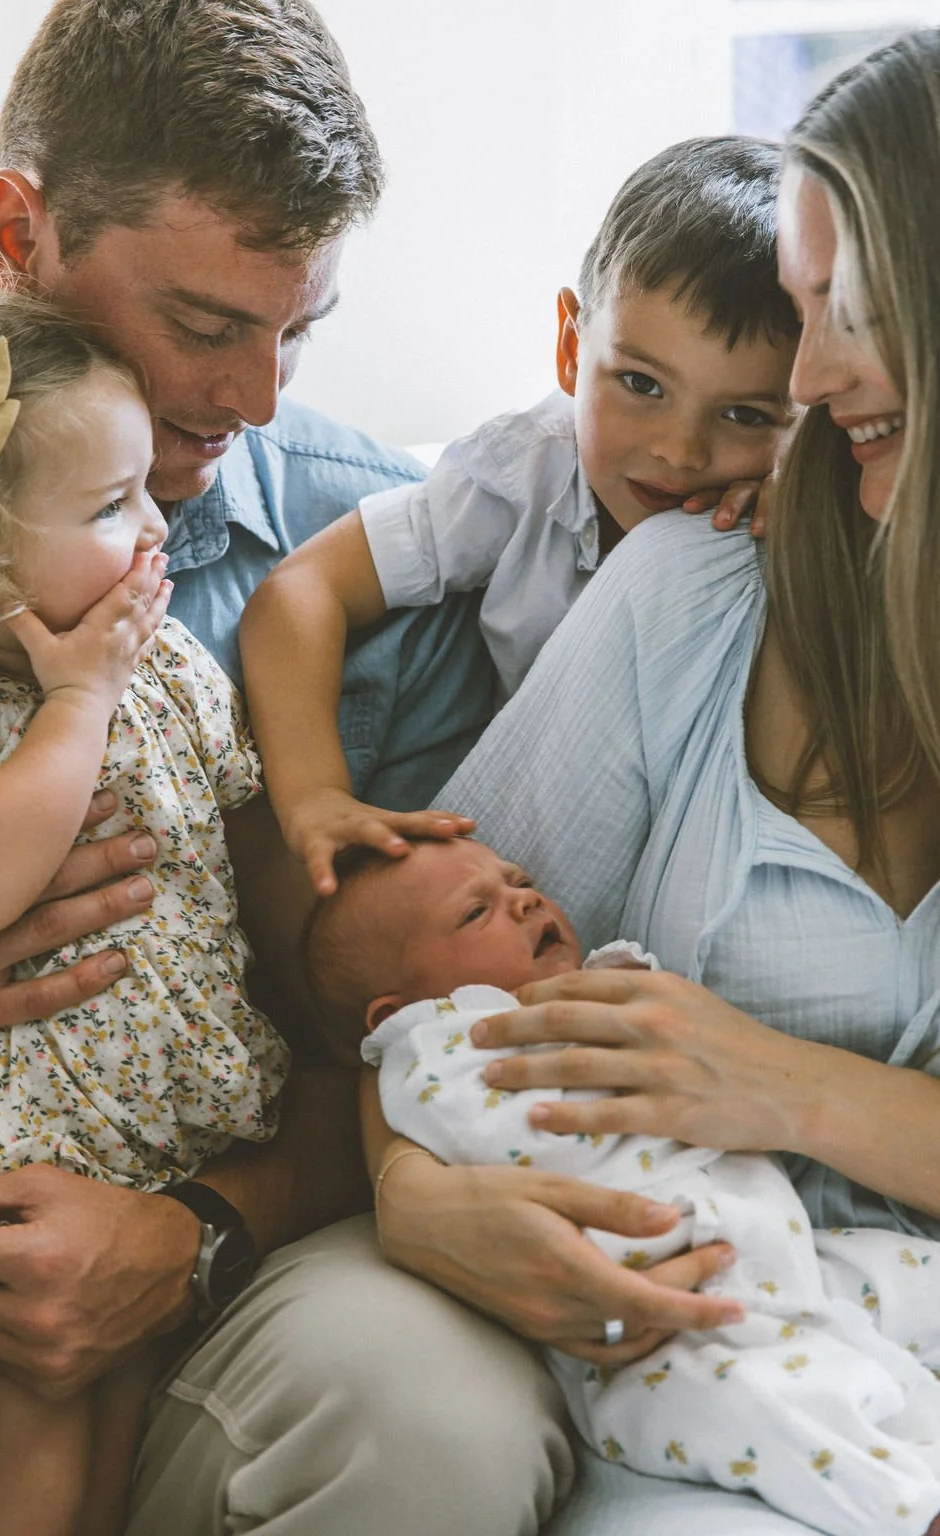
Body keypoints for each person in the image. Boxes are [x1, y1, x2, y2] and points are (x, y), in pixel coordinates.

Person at [0, 5, 640, 1535]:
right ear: (20, 237)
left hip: (233, 1215)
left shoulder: (377, 560)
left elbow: (411, 1025)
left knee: (432, 1417)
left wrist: (194, 1230)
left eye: (296, 330)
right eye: (203, 324)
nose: (255, 398)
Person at [362, 28, 940, 1536]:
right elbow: (429, 973)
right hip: (726, 1373)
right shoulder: (691, 593)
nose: (807, 380)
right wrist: (416, 1194)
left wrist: (791, 1087)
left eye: (852, 314)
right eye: (803, 317)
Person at [0, 291, 296, 1535]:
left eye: (147, 492)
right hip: (19, 1147)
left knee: (122, 1422)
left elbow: (241, 822)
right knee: (39, 1408)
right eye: (108, 507)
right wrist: (78, 701)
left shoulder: (160, 659)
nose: (156, 530)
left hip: (156, 1143)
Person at [305, 835, 940, 1536]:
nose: (524, 899)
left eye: (519, 880)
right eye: (475, 911)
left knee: (917, 1276)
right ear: (394, 1013)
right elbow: (519, 1134)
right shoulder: (437, 1053)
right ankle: (909, 1505)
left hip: (785, 1255)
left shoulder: (588, 1000)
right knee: (765, 1408)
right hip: (665, 1328)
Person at [242, 136, 798, 894]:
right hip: (539, 848)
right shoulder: (525, 472)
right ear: (572, 347)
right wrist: (316, 796)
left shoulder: (786, 513)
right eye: (641, 384)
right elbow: (302, 590)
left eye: (745, 414)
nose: (680, 450)